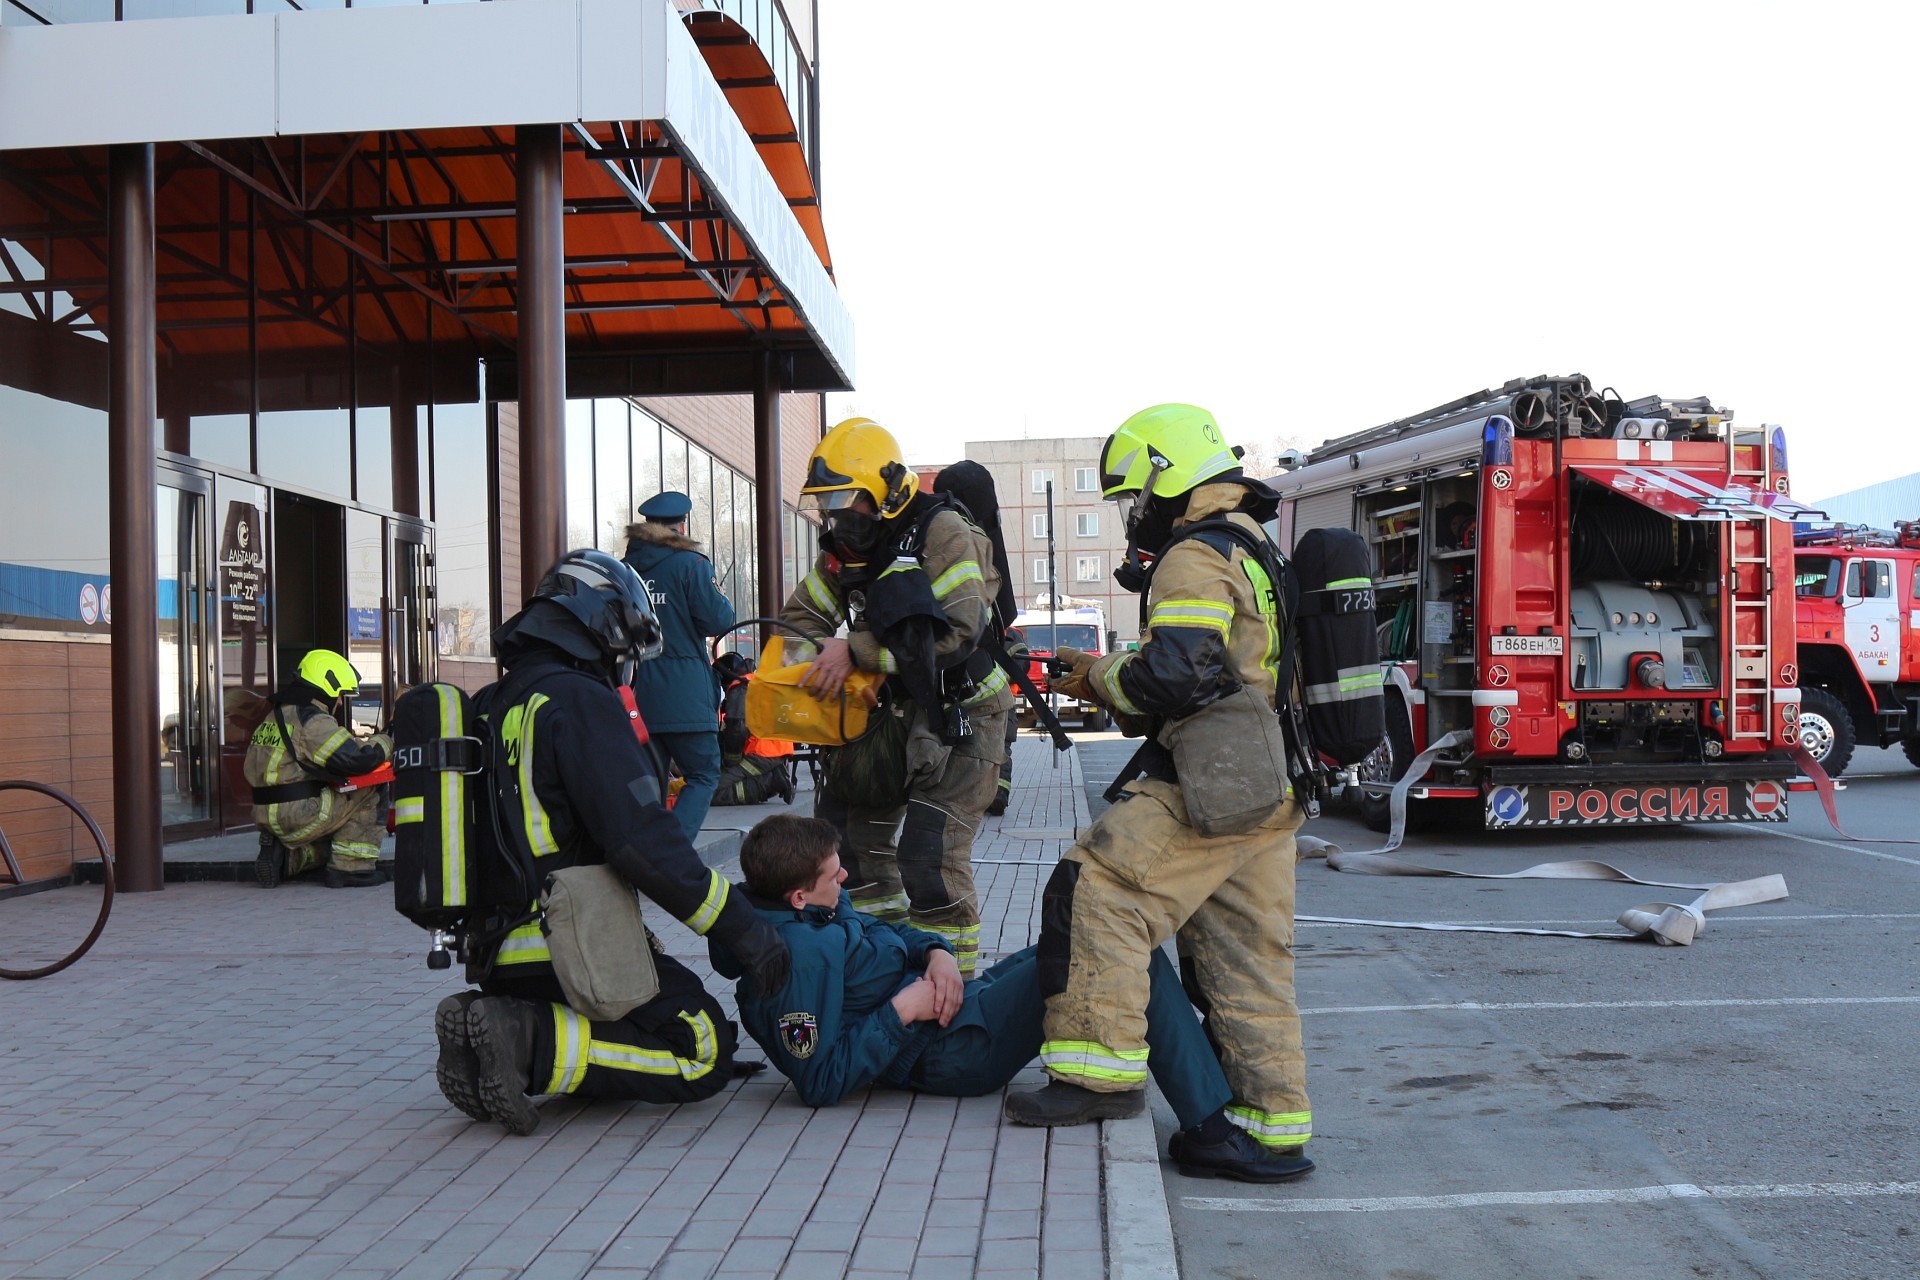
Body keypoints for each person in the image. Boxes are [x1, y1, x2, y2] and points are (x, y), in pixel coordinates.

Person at [1002, 403, 1315, 1183]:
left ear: (1163, 481)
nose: (1131, 515)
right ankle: (1270, 1130)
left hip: (1214, 781)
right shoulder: (1253, 544)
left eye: (1132, 496)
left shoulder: (1193, 555)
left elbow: (1176, 675)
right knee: (1248, 957)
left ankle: (1095, 1077)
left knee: (1098, 889)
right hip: (1270, 784)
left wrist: (1101, 676)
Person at [432, 549, 790, 1135]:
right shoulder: (577, 700)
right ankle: (527, 1040)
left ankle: (495, 1023)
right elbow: (641, 840)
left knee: (651, 1020)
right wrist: (744, 930)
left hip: (497, 951)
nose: (626, 662)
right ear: (601, 624)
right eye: (626, 644)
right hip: (571, 943)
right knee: (700, 1045)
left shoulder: (492, 705)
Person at [712, 815, 1282, 1179]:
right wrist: (901, 1009)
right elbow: (819, 1080)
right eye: (834, 877)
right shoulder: (794, 960)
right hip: (953, 1051)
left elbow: (891, 937)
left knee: (1093, 945)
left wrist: (936, 955)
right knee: (1124, 958)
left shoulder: (817, 909)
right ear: (795, 895)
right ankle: (1211, 1128)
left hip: (957, 1015)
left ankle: (1212, 1111)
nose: (845, 883)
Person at [778, 418, 1013, 975]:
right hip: (893, 715)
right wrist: (805, 661)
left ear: (885, 490)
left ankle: (952, 999)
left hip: (963, 711)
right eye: (827, 504)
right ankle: (886, 968)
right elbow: (798, 620)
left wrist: (854, 651)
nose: (837, 517)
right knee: (850, 853)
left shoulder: (944, 533)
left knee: (929, 858)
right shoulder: (846, 548)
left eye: (846, 500)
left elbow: (958, 631)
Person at [623, 490, 737, 842]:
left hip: (636, 692)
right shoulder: (692, 565)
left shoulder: (624, 569)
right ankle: (673, 852)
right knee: (703, 774)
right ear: (681, 526)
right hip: (685, 691)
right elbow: (720, 620)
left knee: (648, 781)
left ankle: (642, 852)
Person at [245, 648, 392, 889]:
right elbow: (357, 761)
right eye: (341, 694)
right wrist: (387, 740)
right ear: (328, 687)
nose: (341, 701)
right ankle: (351, 868)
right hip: (295, 813)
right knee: (370, 787)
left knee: (341, 821)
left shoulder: (276, 714)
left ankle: (289, 859)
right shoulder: (312, 719)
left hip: (265, 812)